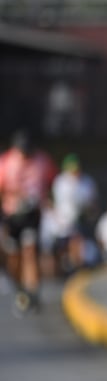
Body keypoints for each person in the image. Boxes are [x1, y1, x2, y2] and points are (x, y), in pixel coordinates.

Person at [0, 129, 58, 313]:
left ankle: (33, 291)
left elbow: (53, 182)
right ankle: (20, 288)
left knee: (30, 251)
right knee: (14, 256)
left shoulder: (42, 161)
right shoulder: (6, 163)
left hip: (33, 215)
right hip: (12, 216)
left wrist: (47, 202)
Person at [51, 153, 99, 274]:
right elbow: (59, 203)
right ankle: (63, 268)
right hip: (63, 219)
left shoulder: (86, 182)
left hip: (81, 218)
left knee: (77, 239)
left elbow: (92, 202)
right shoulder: (60, 182)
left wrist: (89, 213)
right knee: (61, 247)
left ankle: (78, 265)